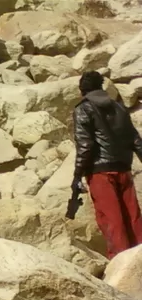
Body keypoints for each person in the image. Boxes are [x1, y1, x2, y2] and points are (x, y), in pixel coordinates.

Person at [72, 70, 142, 259]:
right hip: (124, 170)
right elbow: (136, 140)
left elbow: (85, 145)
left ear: (82, 91)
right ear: (102, 86)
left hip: (100, 173)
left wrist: (77, 175)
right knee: (133, 219)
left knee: (112, 221)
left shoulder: (83, 109)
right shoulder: (119, 107)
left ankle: (120, 267)